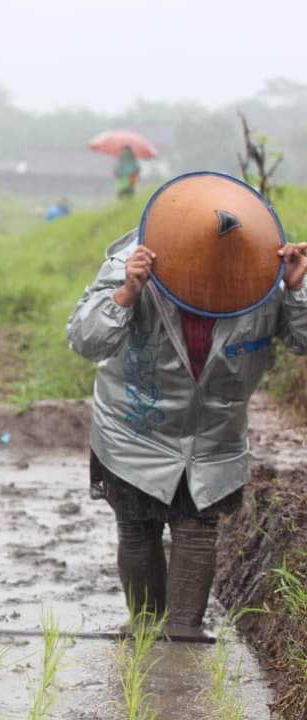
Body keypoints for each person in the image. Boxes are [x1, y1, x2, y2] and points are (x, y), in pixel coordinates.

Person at [67, 171, 307, 637]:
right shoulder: (133, 261)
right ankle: (144, 625)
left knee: (199, 527)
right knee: (137, 527)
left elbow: (303, 340)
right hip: (135, 426)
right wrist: (126, 293)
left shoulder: (262, 275)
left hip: (214, 429)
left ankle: (183, 633)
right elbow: (84, 339)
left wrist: (297, 291)